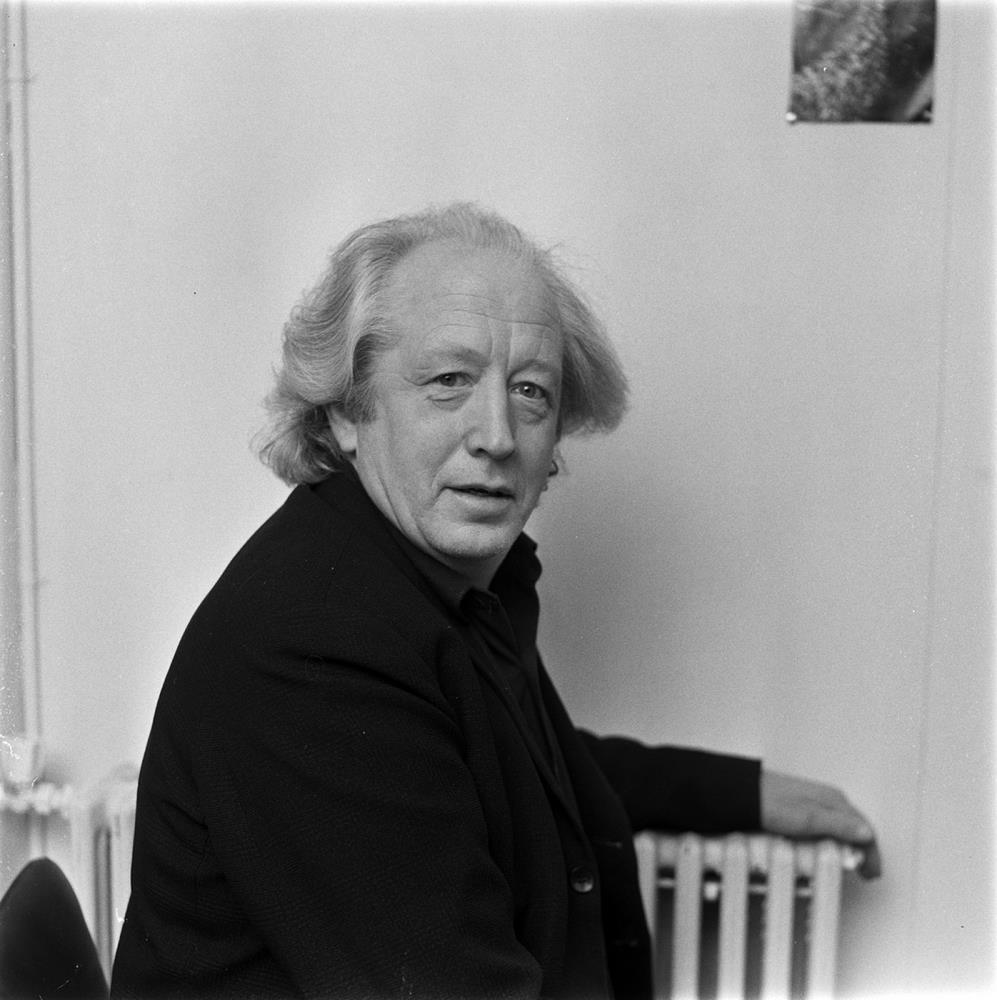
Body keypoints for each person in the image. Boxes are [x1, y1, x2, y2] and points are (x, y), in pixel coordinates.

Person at [111, 203, 879, 1000]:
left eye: (530, 392)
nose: (498, 435)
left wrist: (746, 794)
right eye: (448, 382)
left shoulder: (428, 581)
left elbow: (509, 765)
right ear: (345, 411)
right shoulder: (314, 645)